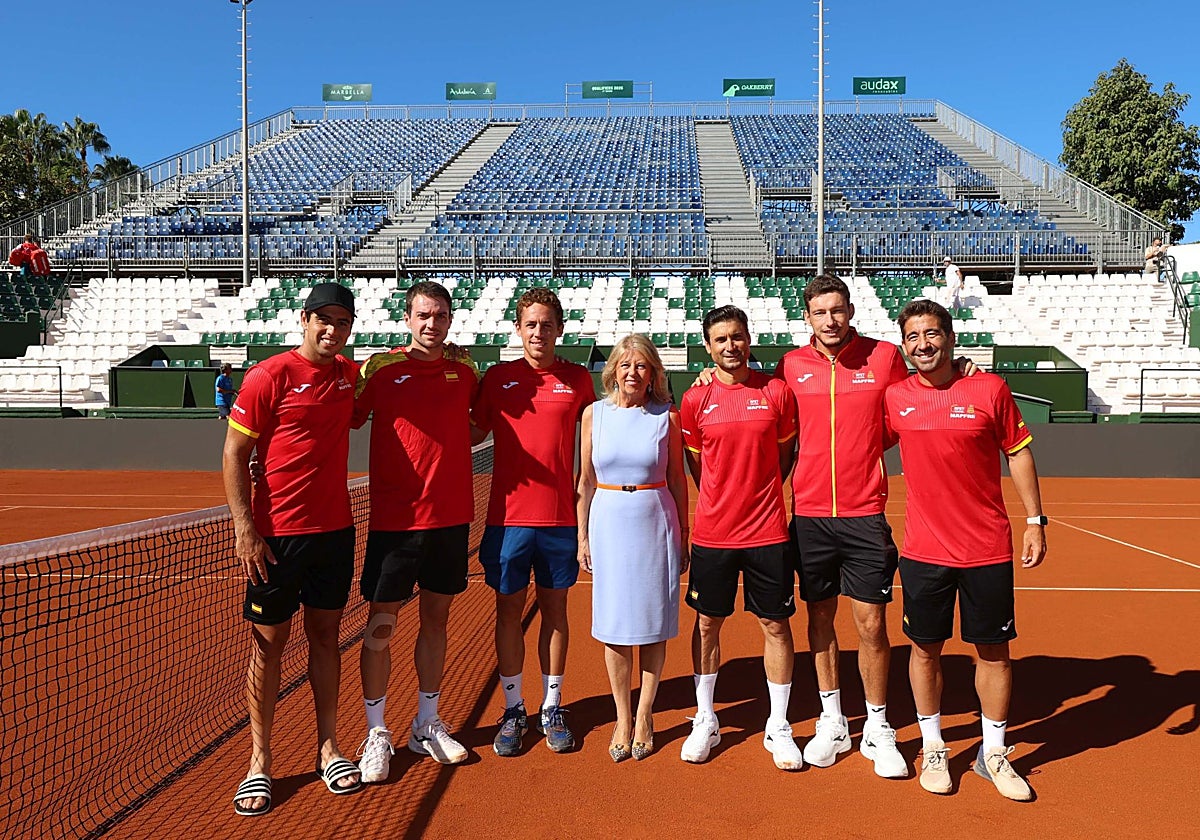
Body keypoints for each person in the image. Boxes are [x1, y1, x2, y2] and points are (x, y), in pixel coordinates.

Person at [883, 298, 1047, 802]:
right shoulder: (895, 397)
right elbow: (842, 424)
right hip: (924, 550)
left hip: (987, 548)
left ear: (951, 338)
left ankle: (992, 752)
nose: (923, 344)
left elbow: (1018, 452)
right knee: (924, 649)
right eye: (912, 337)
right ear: (904, 346)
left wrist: (1036, 520)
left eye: (932, 333)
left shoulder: (989, 388)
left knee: (993, 652)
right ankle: (934, 746)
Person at [222, 282, 362, 816]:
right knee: (268, 644)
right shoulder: (268, 376)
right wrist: (245, 528)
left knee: (327, 638)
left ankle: (328, 747)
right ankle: (260, 762)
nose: (332, 330)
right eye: (323, 319)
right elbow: (234, 454)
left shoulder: (349, 377)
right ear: (304, 320)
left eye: (341, 322)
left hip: (334, 532)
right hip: (275, 538)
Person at [772, 274, 912, 778]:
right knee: (820, 619)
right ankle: (832, 719)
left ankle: (877, 724)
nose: (830, 320)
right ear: (806, 316)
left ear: (850, 310)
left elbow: (906, 411)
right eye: (819, 312)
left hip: (864, 514)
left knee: (872, 623)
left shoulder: (884, 357)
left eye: (838, 310)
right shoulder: (791, 366)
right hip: (808, 515)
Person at [352, 280, 480, 781]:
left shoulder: (465, 370)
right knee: (381, 626)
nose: (432, 324)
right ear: (409, 319)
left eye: (441, 315)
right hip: (395, 523)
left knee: (436, 622)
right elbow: (346, 417)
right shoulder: (380, 369)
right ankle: (376, 731)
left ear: (450, 319)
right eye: (423, 315)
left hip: (450, 518)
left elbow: (479, 426)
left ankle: (426, 722)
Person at [470, 287, 595, 757]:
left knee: (556, 613)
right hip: (507, 521)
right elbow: (470, 432)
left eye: (547, 324)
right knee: (508, 614)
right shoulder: (498, 378)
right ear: (518, 330)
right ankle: (513, 708)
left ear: (559, 329)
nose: (538, 332)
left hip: (561, 520)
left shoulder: (579, 380)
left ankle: (552, 705)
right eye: (530, 324)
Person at [678, 305, 803, 770]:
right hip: (714, 534)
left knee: (775, 625)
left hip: (768, 531)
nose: (731, 346)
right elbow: (696, 465)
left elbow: (785, 456)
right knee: (708, 624)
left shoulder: (777, 392)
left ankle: (779, 724)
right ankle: (706, 717)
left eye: (737, 337)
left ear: (748, 339)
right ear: (708, 348)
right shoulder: (695, 400)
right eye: (721, 340)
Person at [576, 334, 690, 762]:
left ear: (654, 373)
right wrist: (582, 536)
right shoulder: (593, 415)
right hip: (608, 521)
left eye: (641, 365)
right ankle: (622, 716)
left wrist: (683, 534)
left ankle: (645, 715)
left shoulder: (668, 418)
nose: (632, 373)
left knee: (653, 623)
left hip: (655, 521)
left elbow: (677, 481)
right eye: (625, 365)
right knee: (614, 625)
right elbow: (585, 482)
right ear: (612, 371)